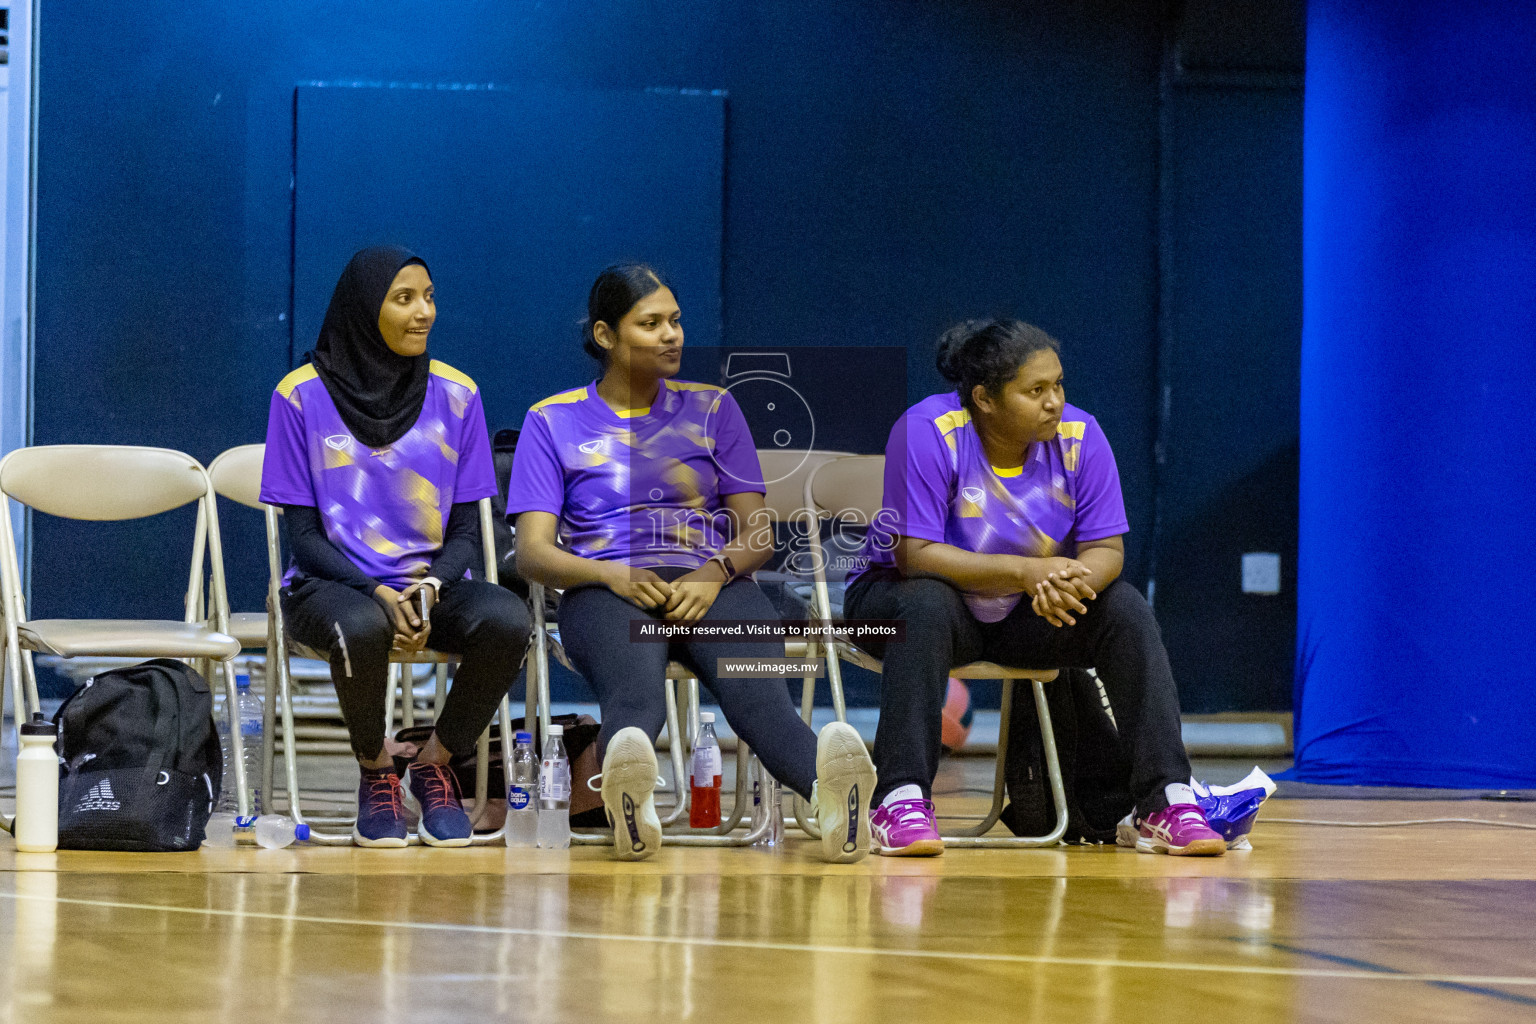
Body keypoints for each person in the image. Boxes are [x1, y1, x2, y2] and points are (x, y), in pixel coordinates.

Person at [508, 263, 875, 862]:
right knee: (636, 700)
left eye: (675, 321)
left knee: (761, 703)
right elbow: (534, 553)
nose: (671, 334)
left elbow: (757, 535)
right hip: (607, 588)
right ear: (605, 335)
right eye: (650, 323)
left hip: (716, 582)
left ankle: (834, 801)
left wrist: (714, 574)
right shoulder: (553, 421)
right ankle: (629, 800)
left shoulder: (714, 409)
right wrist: (609, 574)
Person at [842, 319, 1225, 857]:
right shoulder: (928, 430)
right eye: (1035, 390)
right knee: (925, 603)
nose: (1054, 403)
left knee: (1124, 608)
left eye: (1059, 385)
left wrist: (1066, 583)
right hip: (900, 602)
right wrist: (1027, 572)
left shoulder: (1081, 438)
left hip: (1025, 611)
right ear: (985, 399)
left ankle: (1165, 801)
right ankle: (900, 799)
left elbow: (1107, 552)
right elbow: (915, 555)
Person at [260, 245, 531, 848]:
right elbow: (303, 539)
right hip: (332, 589)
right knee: (361, 627)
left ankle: (435, 762)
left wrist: (431, 585)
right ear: (363, 308)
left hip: (428, 588)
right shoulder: (298, 396)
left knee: (510, 622)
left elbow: (465, 532)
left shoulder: (458, 394)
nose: (423, 313)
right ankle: (376, 770)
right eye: (404, 298)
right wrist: (377, 591)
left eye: (429, 297)